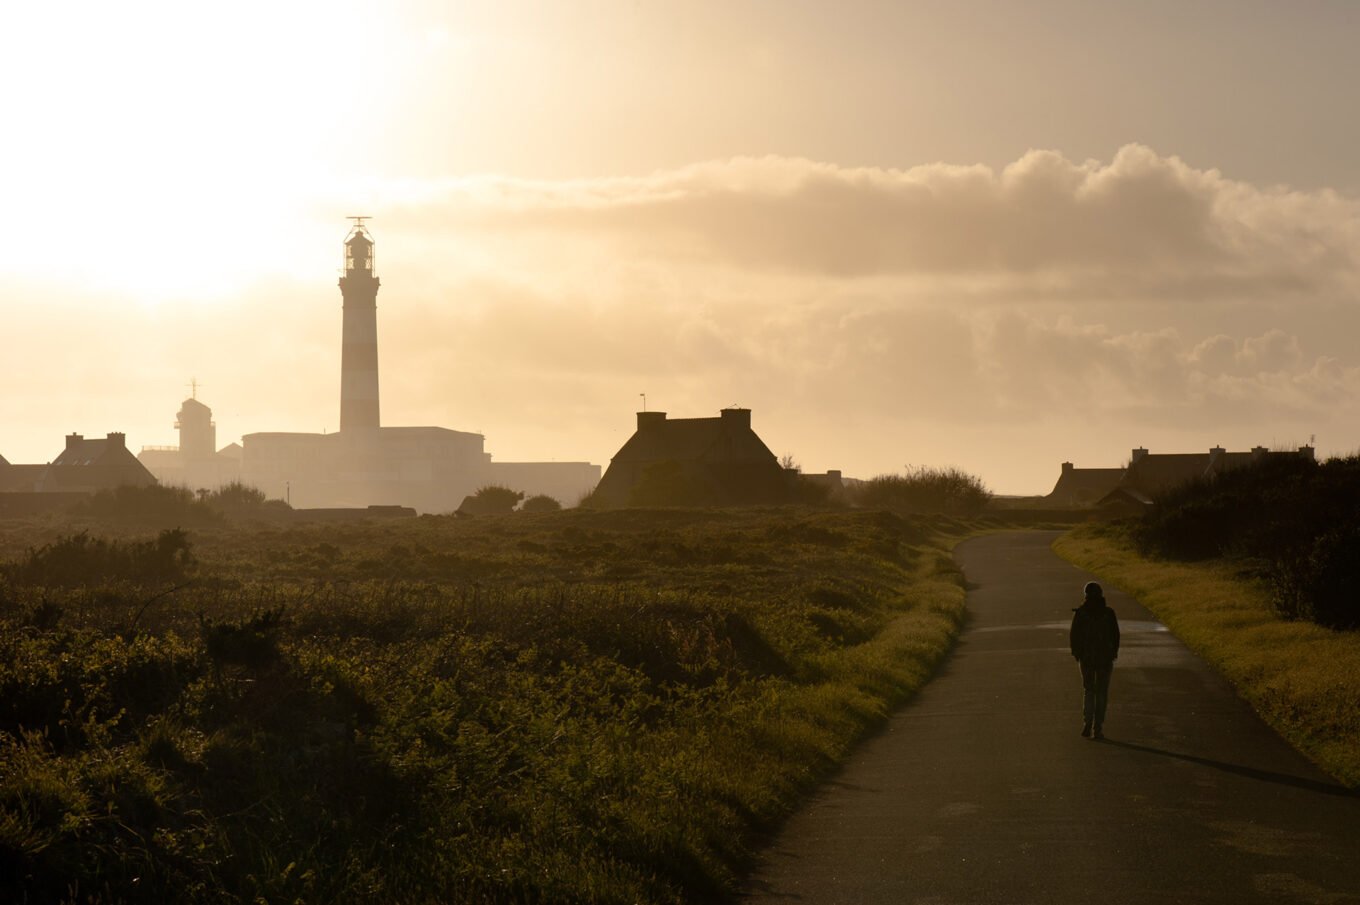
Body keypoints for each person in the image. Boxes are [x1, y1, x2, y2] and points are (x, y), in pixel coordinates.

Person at [1069, 581, 1120, 740]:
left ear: (1086, 595)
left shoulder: (1081, 613)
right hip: (1105, 659)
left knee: (1089, 690)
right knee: (1102, 693)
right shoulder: (1108, 613)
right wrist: (1113, 653)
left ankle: (1087, 722)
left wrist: (1077, 654)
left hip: (1087, 659)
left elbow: (1074, 635)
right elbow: (1116, 635)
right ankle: (1098, 728)